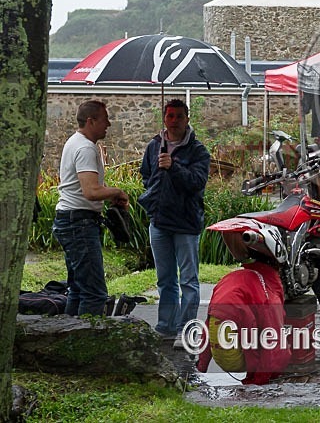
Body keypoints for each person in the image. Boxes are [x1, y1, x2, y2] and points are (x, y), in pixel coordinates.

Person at [139, 99, 210, 348]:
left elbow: (196, 182)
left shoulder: (198, 151)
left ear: (187, 119)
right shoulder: (154, 146)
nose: (174, 121)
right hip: (159, 221)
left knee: (188, 280)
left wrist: (174, 166)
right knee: (165, 278)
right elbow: (146, 174)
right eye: (170, 116)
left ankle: (186, 329)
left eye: (179, 116)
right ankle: (166, 326)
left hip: (186, 222)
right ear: (164, 118)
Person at [53, 100, 129, 316]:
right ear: (91, 121)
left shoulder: (76, 142)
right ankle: (87, 343)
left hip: (70, 220)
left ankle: (68, 338)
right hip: (79, 223)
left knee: (78, 289)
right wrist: (118, 192)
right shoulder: (85, 147)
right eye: (105, 119)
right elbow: (91, 191)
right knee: (94, 293)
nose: (109, 124)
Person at [196, 257, 291, 384]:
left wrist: (200, 368)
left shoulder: (232, 278)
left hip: (218, 327)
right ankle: (256, 378)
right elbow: (273, 344)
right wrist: (258, 381)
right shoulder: (269, 294)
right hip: (233, 350)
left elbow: (207, 328)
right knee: (279, 350)